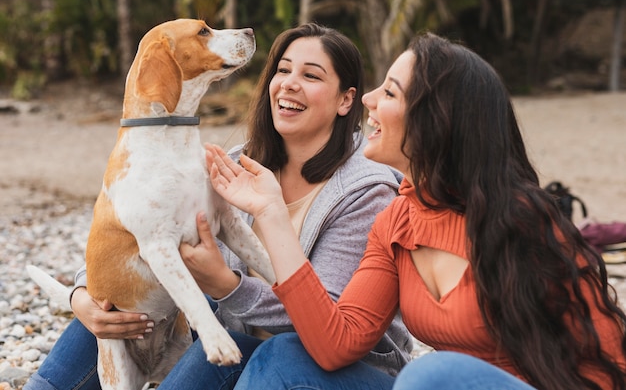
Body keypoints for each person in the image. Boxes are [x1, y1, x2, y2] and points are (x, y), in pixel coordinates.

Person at [201, 32, 626, 390]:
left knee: (432, 373)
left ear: (435, 119)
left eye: (389, 92)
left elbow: (607, 357)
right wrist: (272, 214)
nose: (367, 98)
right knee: (271, 357)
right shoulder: (397, 222)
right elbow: (335, 344)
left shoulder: (520, 220)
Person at [23, 23, 413, 390]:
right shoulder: (237, 161)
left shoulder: (366, 192)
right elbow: (135, 229)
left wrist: (226, 287)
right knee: (113, 318)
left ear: (346, 100)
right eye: (283, 70)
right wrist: (82, 298)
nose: (289, 84)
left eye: (311, 76)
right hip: (235, 340)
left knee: (252, 352)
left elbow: (331, 323)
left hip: (330, 367)